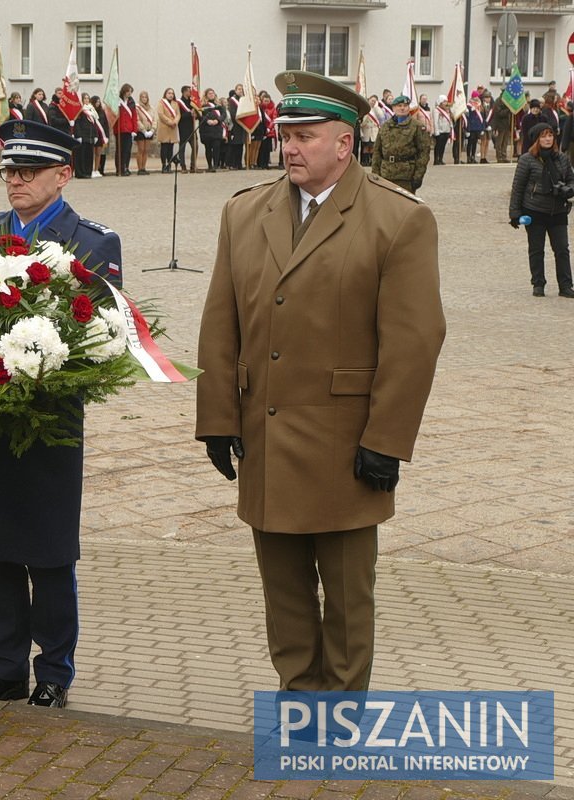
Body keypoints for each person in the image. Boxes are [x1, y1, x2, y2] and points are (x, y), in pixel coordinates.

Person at [196, 71, 446, 692]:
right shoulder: (244, 212)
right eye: (286, 136)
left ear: (345, 143)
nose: (290, 148)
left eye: (305, 136)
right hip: (266, 434)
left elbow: (415, 341)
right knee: (282, 592)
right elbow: (219, 322)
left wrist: (387, 439)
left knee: (345, 596)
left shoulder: (397, 219)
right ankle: (299, 700)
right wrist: (218, 419)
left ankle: (342, 707)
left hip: (346, 443)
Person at [0, 118, 123, 710]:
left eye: (29, 171)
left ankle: (53, 670)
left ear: (64, 175)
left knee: (49, 552)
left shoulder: (94, 241)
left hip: (50, 420)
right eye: (9, 171)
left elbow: (103, 335)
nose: (16, 181)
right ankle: (4, 668)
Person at [509, 122, 574, 298]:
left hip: (558, 211)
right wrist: (515, 213)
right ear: (537, 139)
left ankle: (566, 285)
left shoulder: (562, 158)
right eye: (544, 136)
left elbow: (571, 179)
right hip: (534, 210)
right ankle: (538, 283)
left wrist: (567, 189)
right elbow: (518, 187)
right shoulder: (527, 160)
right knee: (536, 250)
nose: (547, 139)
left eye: (550, 135)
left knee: (562, 249)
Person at [371, 95, 430, 193]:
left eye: (405, 106)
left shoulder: (417, 126)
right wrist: (375, 174)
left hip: (406, 176)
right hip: (386, 174)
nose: (402, 108)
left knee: (405, 207)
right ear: (393, 108)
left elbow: (423, 153)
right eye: (399, 106)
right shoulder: (385, 126)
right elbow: (377, 151)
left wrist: (418, 176)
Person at [199, 88, 227, 173]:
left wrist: (218, 120)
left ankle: (215, 165)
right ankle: (209, 165)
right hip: (206, 129)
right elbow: (200, 115)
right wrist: (207, 120)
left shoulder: (219, 105)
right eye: (209, 93)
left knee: (216, 147)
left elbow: (224, 114)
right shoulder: (203, 105)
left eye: (213, 93)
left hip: (216, 129)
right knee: (208, 148)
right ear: (206, 95)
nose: (211, 95)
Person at [114, 84, 136, 175]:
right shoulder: (117, 101)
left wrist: (134, 130)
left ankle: (126, 167)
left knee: (127, 150)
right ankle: (119, 168)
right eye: (128, 91)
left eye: (131, 91)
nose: (129, 93)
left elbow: (134, 117)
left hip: (129, 130)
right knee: (119, 150)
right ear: (124, 91)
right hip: (119, 129)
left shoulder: (131, 102)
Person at [157, 87, 180, 173]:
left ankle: (169, 165)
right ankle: (164, 165)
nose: (171, 95)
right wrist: (170, 122)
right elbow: (161, 114)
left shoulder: (175, 103)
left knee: (171, 148)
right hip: (165, 127)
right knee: (164, 148)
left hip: (173, 128)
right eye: (169, 93)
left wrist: (175, 121)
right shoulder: (161, 103)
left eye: (172, 93)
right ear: (165, 94)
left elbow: (178, 114)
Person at [176, 85, 197, 173]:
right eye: (189, 91)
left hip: (192, 128)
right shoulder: (179, 103)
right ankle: (183, 166)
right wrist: (190, 114)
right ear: (184, 92)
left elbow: (197, 113)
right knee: (182, 148)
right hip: (183, 128)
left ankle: (193, 165)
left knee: (195, 146)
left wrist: (196, 114)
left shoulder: (192, 102)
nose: (191, 93)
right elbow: (179, 115)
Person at [134, 90, 156, 175]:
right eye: (142, 97)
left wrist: (152, 130)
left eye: (145, 97)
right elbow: (137, 120)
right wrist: (143, 130)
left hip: (149, 131)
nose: (144, 99)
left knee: (146, 150)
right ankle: (139, 169)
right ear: (140, 98)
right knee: (141, 149)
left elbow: (154, 120)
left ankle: (144, 167)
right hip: (141, 131)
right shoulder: (137, 107)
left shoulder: (151, 108)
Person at [492, 91, 513, 163]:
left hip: (507, 125)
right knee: (499, 142)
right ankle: (499, 157)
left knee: (505, 142)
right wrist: (508, 110)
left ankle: (504, 156)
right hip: (500, 125)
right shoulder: (498, 101)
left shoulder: (507, 101)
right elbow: (499, 113)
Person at [431, 99, 452, 166]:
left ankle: (440, 159)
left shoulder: (447, 110)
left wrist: (450, 129)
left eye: (446, 102)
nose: (446, 103)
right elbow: (435, 121)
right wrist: (436, 131)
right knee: (438, 146)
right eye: (444, 102)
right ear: (440, 103)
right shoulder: (436, 110)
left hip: (446, 130)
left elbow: (449, 120)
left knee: (443, 146)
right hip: (440, 131)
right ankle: (436, 160)